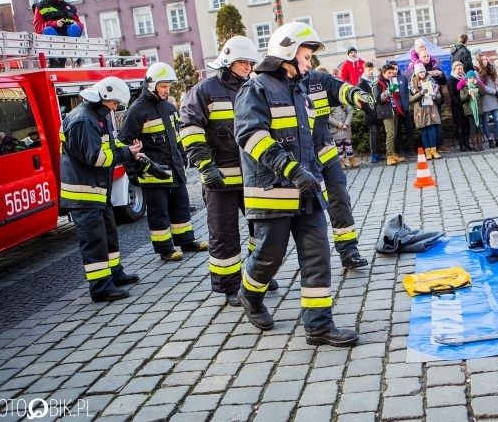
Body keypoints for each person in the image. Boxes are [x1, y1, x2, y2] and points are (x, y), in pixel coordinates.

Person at [234, 21, 358, 347]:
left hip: (306, 190)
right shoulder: (257, 89)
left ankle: (318, 325)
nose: (309, 64)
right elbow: (251, 136)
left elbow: (307, 139)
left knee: (317, 256)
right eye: (305, 57)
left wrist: (314, 173)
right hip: (273, 191)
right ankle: (250, 293)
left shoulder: (300, 89)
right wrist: (289, 169)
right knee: (269, 255)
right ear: (287, 54)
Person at [180, 36, 275, 307]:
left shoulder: (254, 88)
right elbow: (190, 129)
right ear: (228, 61)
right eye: (243, 62)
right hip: (219, 178)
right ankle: (231, 286)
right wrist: (205, 166)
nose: (247, 67)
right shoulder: (204, 91)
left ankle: (257, 275)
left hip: (253, 175)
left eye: (250, 63)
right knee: (224, 235)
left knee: (261, 229)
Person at [61, 77, 142, 302]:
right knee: (94, 241)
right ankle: (100, 288)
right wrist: (126, 154)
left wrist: (129, 149)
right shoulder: (82, 121)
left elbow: (111, 145)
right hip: (84, 194)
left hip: (97, 191)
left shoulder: (97, 117)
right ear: (103, 97)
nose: (115, 108)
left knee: (108, 236)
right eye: (114, 103)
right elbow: (95, 158)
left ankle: (114, 274)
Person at [119, 62, 207, 262]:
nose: (167, 90)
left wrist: (183, 158)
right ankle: (165, 249)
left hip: (174, 168)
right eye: (163, 86)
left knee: (181, 206)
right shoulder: (137, 110)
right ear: (151, 85)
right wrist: (134, 172)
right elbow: (124, 142)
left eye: (168, 86)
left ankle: (186, 241)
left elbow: (176, 137)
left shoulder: (168, 108)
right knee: (159, 212)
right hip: (153, 172)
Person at [304, 61, 374, 270]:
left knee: (340, 200)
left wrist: (355, 94)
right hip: (298, 160)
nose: (309, 62)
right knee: (301, 213)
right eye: (305, 57)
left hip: (325, 151)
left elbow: (340, 87)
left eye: (310, 57)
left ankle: (349, 251)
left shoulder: (318, 79)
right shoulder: (276, 86)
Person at [33, 0, 84, 68]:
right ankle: (54, 59)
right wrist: (54, 24)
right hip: (53, 40)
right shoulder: (41, 6)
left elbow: (80, 25)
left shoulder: (69, 7)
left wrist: (76, 24)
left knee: (74, 28)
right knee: (49, 30)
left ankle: (75, 58)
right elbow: (38, 27)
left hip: (68, 37)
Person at [374, 63, 406, 166]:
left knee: (394, 133)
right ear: (383, 73)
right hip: (385, 110)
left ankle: (393, 153)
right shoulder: (377, 83)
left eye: (392, 72)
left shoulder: (391, 81)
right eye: (389, 73)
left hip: (393, 109)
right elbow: (378, 99)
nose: (391, 74)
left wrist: (396, 91)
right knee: (390, 133)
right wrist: (389, 90)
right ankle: (389, 156)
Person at [409, 63, 443, 159]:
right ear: (417, 73)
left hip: (431, 108)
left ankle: (434, 151)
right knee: (424, 131)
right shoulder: (413, 84)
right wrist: (420, 93)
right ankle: (427, 152)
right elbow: (411, 99)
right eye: (420, 72)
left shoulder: (431, 82)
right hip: (420, 110)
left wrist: (434, 95)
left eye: (424, 71)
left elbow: (439, 95)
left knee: (432, 131)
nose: (422, 73)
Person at [356, 61, 383, 163]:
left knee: (378, 132)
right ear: (364, 70)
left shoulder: (375, 80)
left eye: (372, 69)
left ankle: (377, 153)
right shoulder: (361, 83)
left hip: (378, 110)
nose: (371, 71)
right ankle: (373, 154)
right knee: (373, 132)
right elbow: (360, 100)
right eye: (369, 70)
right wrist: (369, 110)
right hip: (369, 112)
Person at [447, 61, 473, 151]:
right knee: (460, 125)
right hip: (458, 106)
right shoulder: (451, 80)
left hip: (467, 104)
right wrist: (461, 105)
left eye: (461, 69)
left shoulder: (465, 78)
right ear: (454, 70)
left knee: (467, 124)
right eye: (458, 69)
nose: (460, 71)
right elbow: (452, 95)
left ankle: (467, 143)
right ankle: (461, 144)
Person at [478, 60, 498, 148]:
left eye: (486, 59)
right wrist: (495, 92)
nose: (485, 61)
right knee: (485, 122)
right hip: (485, 100)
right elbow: (482, 87)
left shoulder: (492, 71)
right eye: (483, 59)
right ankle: (489, 140)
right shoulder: (477, 73)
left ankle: (497, 138)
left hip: (494, 100)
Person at [459, 69, 485, 151]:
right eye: (470, 78)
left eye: (473, 78)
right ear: (467, 79)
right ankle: (475, 145)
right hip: (470, 110)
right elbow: (462, 98)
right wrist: (469, 94)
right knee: (473, 126)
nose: (472, 79)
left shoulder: (477, 85)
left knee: (479, 126)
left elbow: (483, 92)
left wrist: (477, 83)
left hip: (478, 109)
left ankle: (480, 144)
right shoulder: (464, 88)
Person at [328, 101, 356, 169]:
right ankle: (341, 161)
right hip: (335, 129)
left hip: (345, 128)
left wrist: (346, 123)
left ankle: (351, 159)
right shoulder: (329, 102)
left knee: (348, 145)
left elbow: (350, 112)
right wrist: (337, 123)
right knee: (338, 147)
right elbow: (327, 116)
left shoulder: (343, 101)